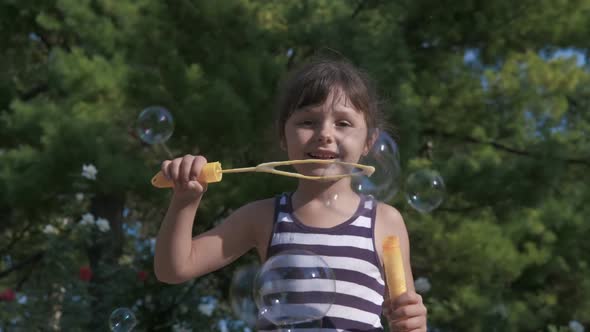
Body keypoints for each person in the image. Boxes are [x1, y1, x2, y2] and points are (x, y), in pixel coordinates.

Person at [154, 58, 428, 331]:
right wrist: (184, 201)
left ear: (369, 141)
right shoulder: (263, 216)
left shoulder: (385, 220)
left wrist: (413, 322)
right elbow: (173, 269)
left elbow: (405, 319)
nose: (325, 134)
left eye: (343, 123)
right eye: (308, 121)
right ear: (283, 136)